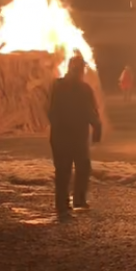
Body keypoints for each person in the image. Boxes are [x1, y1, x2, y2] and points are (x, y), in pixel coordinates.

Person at [48, 54, 103, 220]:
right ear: (80, 70)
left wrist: (57, 127)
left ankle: (62, 204)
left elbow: (50, 110)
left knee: (62, 171)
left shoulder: (57, 86)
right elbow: (91, 112)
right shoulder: (83, 89)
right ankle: (78, 200)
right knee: (82, 168)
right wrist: (97, 130)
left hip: (59, 137)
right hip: (76, 137)